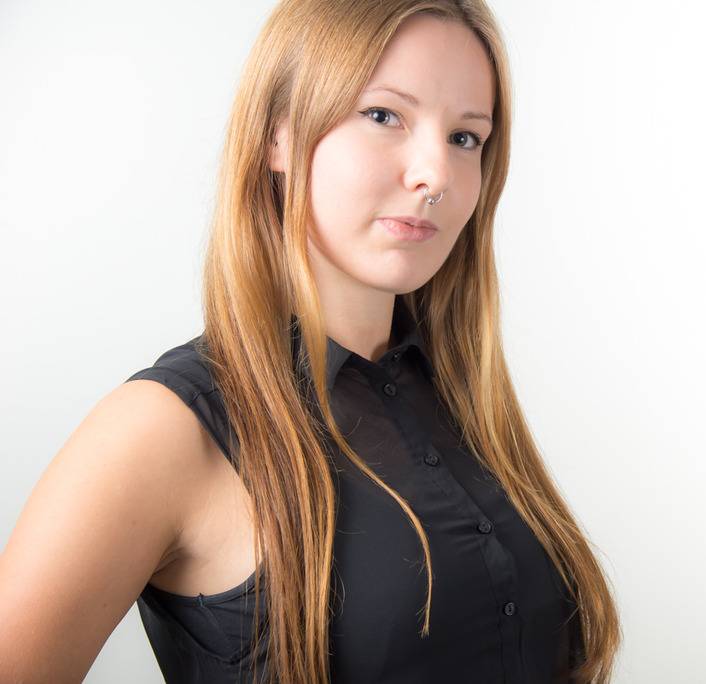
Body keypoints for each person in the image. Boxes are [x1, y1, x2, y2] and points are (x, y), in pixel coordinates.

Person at [0, 1, 622, 682]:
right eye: (383, 115)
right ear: (278, 134)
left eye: (465, 138)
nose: (436, 175)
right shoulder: (164, 429)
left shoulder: (463, 399)